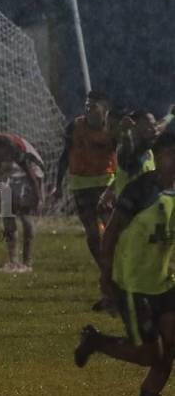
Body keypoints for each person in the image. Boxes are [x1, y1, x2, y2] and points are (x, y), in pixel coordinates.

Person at [73, 126, 175, 396]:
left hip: (165, 283)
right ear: (157, 157)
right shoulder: (140, 190)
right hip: (131, 284)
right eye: (170, 154)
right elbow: (112, 233)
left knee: (168, 351)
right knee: (151, 355)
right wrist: (106, 276)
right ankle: (97, 342)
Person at [53, 90, 117, 311]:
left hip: (105, 186)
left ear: (104, 109)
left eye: (93, 106)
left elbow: (124, 159)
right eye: (87, 105)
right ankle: (107, 279)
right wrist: (57, 185)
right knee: (92, 236)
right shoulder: (75, 127)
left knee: (111, 235)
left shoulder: (113, 129)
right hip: (81, 186)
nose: (88, 109)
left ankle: (116, 284)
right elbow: (64, 156)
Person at [0, 133, 45, 273]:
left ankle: (27, 261)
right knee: (8, 218)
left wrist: (38, 197)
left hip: (30, 180)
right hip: (12, 180)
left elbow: (32, 176)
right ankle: (13, 261)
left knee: (26, 218)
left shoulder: (19, 154)